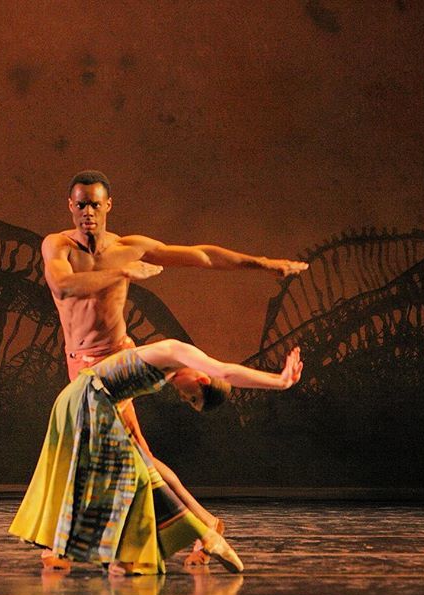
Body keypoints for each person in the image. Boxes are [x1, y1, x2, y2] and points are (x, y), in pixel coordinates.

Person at [40, 170, 308, 567]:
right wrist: (122, 273)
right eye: (80, 204)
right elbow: (63, 287)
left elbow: (202, 255)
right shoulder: (58, 246)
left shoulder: (129, 247)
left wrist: (263, 263)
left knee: (123, 457)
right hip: (79, 366)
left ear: (108, 205)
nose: (88, 213)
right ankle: (202, 526)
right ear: (70, 205)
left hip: (112, 367)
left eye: (95, 204)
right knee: (130, 454)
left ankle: (77, 548)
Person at [9, 341, 303, 575]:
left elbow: (118, 375)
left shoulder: (167, 369)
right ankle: (186, 540)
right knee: (124, 475)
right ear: (201, 379)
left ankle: (112, 554)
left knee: (124, 473)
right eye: (193, 398)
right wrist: (279, 381)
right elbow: (225, 372)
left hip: (88, 399)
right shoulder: (175, 352)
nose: (185, 398)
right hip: (88, 399)